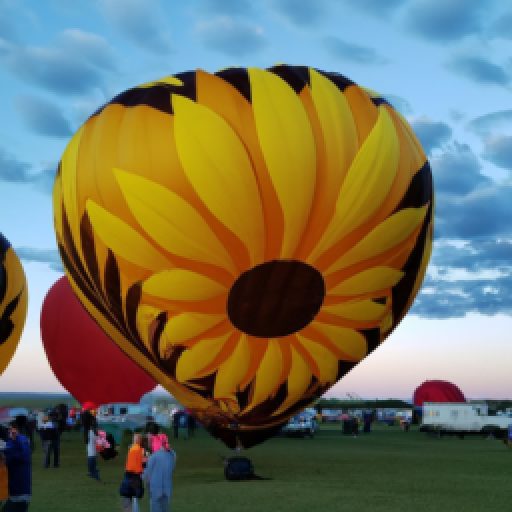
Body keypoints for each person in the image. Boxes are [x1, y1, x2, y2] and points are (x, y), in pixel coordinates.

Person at [143, 434, 176, 512]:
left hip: (155, 487)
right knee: (165, 507)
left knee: (155, 508)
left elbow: (147, 473)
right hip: (167, 487)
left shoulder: (154, 457)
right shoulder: (171, 456)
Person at [3, 420, 32, 511]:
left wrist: (17, 437)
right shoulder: (10, 442)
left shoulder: (21, 441)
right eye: (9, 430)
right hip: (14, 490)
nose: (10, 432)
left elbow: (23, 456)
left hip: (21, 492)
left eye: (12, 429)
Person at [121, 433, 146, 512]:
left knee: (127, 496)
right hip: (135, 476)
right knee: (135, 496)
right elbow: (144, 463)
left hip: (128, 475)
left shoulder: (131, 449)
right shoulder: (140, 450)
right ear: (140, 441)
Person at [83, 410, 100, 481]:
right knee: (92, 455)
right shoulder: (92, 421)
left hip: (88, 437)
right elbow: (96, 436)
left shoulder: (86, 426)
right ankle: (93, 472)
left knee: (91, 454)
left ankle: (92, 471)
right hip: (91, 436)